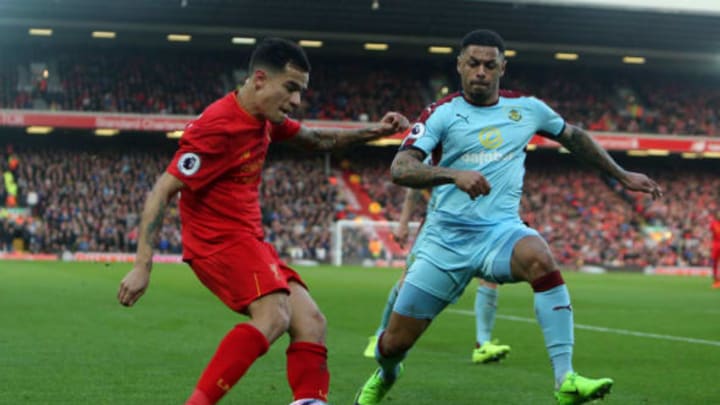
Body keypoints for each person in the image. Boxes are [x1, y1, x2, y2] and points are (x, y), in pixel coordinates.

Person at [353, 29, 663, 405]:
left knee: (540, 256)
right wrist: (453, 174)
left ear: (503, 67)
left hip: (498, 233)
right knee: (394, 343)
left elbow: (575, 137)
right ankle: (388, 372)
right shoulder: (441, 114)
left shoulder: (528, 109)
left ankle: (565, 379)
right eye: (473, 64)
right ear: (459, 66)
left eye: (489, 64)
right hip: (444, 242)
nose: (480, 72)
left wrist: (622, 175)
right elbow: (401, 167)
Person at [116, 37, 409, 405]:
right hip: (218, 243)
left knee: (312, 322)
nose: (297, 101)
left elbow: (316, 140)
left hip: (250, 241)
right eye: (290, 88)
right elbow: (161, 190)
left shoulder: (264, 119)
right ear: (259, 79)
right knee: (274, 316)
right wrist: (143, 266)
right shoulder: (219, 127)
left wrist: (376, 132)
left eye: (301, 91)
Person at [363, 187, 510, 364]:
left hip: (479, 223)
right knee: (407, 279)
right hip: (439, 225)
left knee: (489, 278)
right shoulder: (442, 158)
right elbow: (414, 189)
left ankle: (482, 344)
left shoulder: (488, 160)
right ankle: (380, 333)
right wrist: (403, 222)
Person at [710, 211, 720, 288]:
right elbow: (712, 234)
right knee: (714, 263)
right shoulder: (713, 224)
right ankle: (716, 281)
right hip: (716, 245)